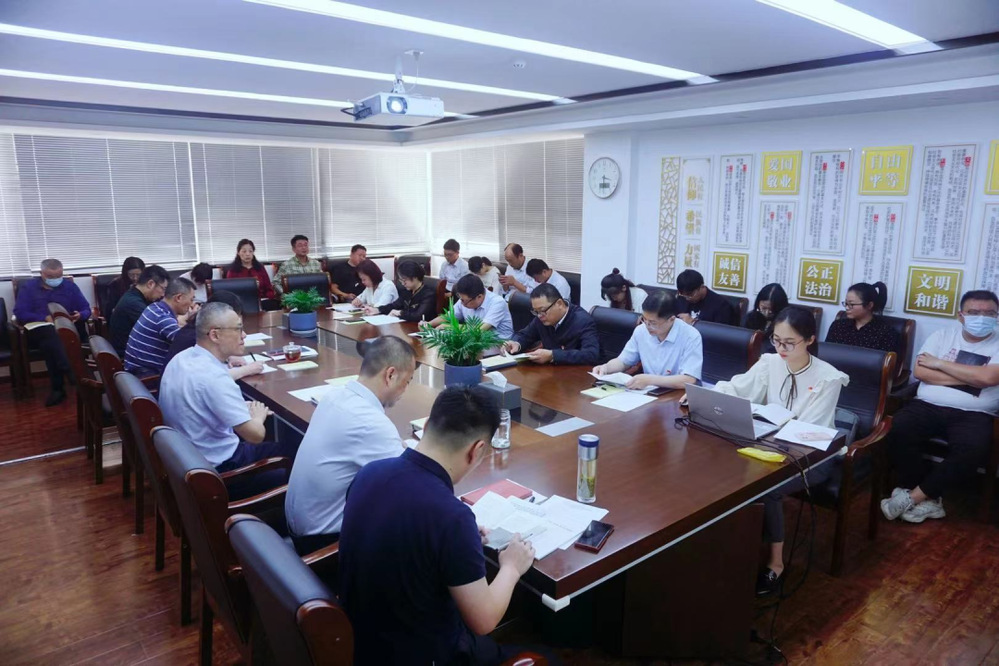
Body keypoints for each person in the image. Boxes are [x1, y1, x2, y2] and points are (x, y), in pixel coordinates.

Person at [338, 386, 536, 666]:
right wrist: (511, 567)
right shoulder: (452, 517)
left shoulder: (370, 472)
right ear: (478, 449)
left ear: (427, 425)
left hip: (359, 641)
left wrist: (459, 544)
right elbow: (484, 620)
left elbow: (402, 533)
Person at [712, 306, 848, 596]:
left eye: (789, 343)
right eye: (776, 340)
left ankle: (775, 563)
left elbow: (810, 429)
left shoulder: (829, 378)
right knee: (723, 468)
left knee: (767, 487)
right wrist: (710, 396)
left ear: (809, 340)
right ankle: (732, 547)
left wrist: (768, 422)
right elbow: (737, 388)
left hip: (811, 456)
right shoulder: (770, 362)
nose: (781, 349)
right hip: (769, 445)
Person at [285, 337, 417, 555]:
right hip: (324, 546)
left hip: (300, 527)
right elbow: (414, 485)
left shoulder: (334, 396)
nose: (406, 389)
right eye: (408, 381)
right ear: (391, 375)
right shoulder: (370, 423)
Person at [880, 290, 999, 525]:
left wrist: (939, 363)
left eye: (989, 313)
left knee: (973, 449)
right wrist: (972, 379)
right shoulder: (942, 335)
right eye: (974, 312)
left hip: (975, 414)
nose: (982, 318)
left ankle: (913, 497)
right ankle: (927, 497)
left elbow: (988, 378)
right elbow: (921, 372)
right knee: (898, 427)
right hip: (927, 405)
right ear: (961, 315)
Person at [159, 302, 298, 499]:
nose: (244, 335)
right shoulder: (215, 377)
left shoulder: (181, 358)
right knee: (298, 449)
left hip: (189, 461)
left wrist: (240, 408)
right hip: (220, 472)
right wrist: (257, 417)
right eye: (238, 329)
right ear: (215, 335)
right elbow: (255, 435)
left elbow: (202, 404)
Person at [13, 259, 92, 407]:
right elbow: (20, 312)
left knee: (51, 344)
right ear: (41, 273)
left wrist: (79, 315)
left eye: (58, 276)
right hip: (40, 329)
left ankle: (58, 389)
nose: (55, 279)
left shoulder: (70, 287)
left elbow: (86, 308)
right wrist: (44, 317)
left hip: (67, 329)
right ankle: (75, 375)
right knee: (52, 334)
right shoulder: (29, 288)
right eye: (50, 276)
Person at [592, 290, 702, 391]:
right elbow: (624, 361)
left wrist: (650, 380)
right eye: (645, 319)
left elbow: (689, 380)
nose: (647, 326)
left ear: (671, 319)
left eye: (653, 323)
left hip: (676, 395)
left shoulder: (690, 336)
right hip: (648, 393)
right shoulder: (641, 331)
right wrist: (606, 367)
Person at [164, 290, 264, 380]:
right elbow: (212, 378)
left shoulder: (197, 327)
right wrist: (247, 370)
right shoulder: (197, 338)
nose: (243, 335)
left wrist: (228, 358)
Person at [502, 283, 600, 365]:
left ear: (559, 304)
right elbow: (525, 335)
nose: (539, 316)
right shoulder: (541, 318)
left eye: (542, 310)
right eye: (536, 311)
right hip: (550, 372)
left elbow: (591, 354)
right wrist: (516, 343)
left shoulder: (582, 320)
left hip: (577, 375)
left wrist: (553, 355)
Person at [124, 277, 196, 377]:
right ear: (178, 298)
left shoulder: (154, 308)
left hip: (135, 371)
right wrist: (195, 320)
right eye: (191, 299)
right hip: (148, 377)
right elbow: (190, 343)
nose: (192, 304)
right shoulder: (163, 318)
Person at [428, 274, 514, 339]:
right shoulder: (465, 299)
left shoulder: (497, 302)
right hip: (473, 341)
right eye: (461, 299)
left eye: (465, 301)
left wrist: (450, 327)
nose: (462, 304)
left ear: (479, 296)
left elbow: (479, 330)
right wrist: (428, 325)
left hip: (498, 345)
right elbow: (448, 316)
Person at [109, 265, 170, 355]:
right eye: (163, 289)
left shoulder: (135, 294)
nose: (163, 294)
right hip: (129, 354)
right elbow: (159, 328)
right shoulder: (133, 303)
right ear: (150, 284)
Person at [826, 281, 900, 353]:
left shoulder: (886, 333)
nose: (847, 307)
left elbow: (886, 360)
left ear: (869, 305)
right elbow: (826, 352)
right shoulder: (838, 326)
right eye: (846, 303)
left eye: (851, 304)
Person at [744, 283, 788, 354]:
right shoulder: (751, 317)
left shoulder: (786, 323)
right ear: (758, 303)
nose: (767, 313)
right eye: (763, 308)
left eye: (771, 310)